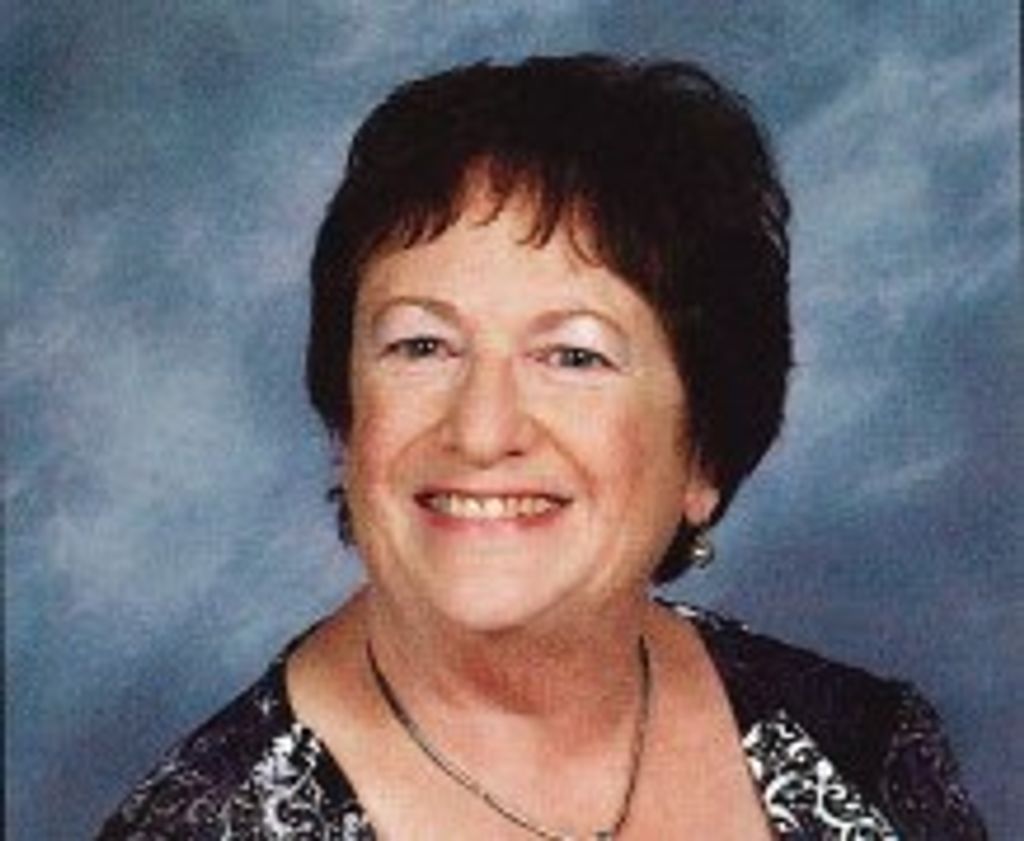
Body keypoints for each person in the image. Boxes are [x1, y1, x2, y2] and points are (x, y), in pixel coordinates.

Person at [98, 55, 986, 839]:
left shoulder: (863, 747)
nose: (483, 430)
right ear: (348, 414)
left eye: (573, 356)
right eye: (422, 345)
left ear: (703, 455)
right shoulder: (201, 825)